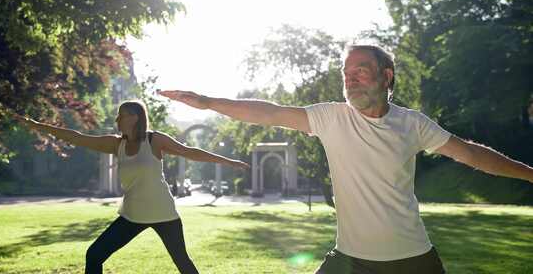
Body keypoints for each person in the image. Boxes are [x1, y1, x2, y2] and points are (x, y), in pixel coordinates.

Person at [158, 44, 533, 274]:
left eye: (360, 71)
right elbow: (268, 112)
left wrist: (530, 174)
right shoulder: (331, 117)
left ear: (386, 77)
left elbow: (471, 154)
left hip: (413, 260)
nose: (350, 79)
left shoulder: (412, 124)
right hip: (351, 261)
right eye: (345, 73)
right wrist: (208, 102)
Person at [15, 100, 249, 274]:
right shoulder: (115, 145)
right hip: (132, 215)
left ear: (135, 117)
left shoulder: (154, 140)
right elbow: (77, 137)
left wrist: (228, 161)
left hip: (163, 214)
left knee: (183, 263)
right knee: (94, 255)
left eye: (121, 115)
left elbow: (190, 152)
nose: (117, 119)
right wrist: (38, 126)